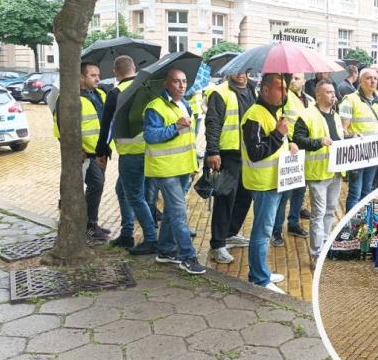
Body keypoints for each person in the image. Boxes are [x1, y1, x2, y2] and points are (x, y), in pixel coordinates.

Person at [143, 69, 204, 274]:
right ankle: (188, 256)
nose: (181, 85)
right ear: (166, 84)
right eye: (176, 81)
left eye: (184, 81)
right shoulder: (155, 107)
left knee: (171, 211)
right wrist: (174, 127)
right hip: (165, 169)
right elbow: (150, 136)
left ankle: (166, 250)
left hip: (183, 167)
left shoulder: (185, 104)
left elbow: (188, 139)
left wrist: (193, 163)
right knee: (179, 212)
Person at [95, 56, 158, 254]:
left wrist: (101, 150)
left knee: (135, 197)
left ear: (115, 72)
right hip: (150, 150)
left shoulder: (116, 93)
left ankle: (150, 238)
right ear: (134, 68)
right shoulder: (146, 88)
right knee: (122, 191)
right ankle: (126, 234)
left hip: (130, 153)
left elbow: (106, 126)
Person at [241, 73, 292, 294]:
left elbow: (275, 143)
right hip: (263, 183)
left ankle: (260, 271)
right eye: (280, 88)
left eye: (285, 88)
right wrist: (279, 135)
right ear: (265, 90)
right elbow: (256, 152)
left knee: (266, 229)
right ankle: (259, 278)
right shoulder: (254, 115)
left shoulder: (273, 112)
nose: (285, 93)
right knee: (262, 231)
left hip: (275, 180)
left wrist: (289, 145)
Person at [204, 70, 257, 264]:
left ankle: (230, 233)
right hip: (228, 154)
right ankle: (217, 244)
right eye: (237, 71)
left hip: (247, 154)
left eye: (245, 71)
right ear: (229, 72)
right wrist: (213, 151)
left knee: (245, 195)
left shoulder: (253, 90)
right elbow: (213, 123)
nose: (241, 75)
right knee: (225, 198)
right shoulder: (220, 92)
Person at [53, 62, 110, 241]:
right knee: (95, 184)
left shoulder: (100, 94)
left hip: (99, 152)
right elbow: (61, 128)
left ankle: (88, 222)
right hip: (84, 154)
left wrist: (105, 150)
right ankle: (88, 225)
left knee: (95, 186)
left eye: (98, 75)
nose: (98, 78)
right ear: (81, 77)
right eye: (93, 75)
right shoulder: (69, 98)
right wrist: (78, 150)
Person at [293, 80, 343, 261]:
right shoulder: (307, 115)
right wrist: (317, 142)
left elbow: (338, 138)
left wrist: (353, 137)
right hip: (318, 173)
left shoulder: (335, 116)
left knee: (330, 210)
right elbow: (297, 139)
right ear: (319, 95)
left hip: (335, 171)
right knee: (318, 214)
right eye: (328, 92)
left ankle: (324, 244)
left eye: (333, 91)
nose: (333, 95)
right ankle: (316, 253)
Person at [272, 73, 312, 247]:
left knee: (300, 191)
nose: (295, 81)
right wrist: (288, 142)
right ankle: (276, 230)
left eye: (298, 78)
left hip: (304, 149)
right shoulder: (285, 97)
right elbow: (279, 121)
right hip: (289, 149)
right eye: (293, 78)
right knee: (285, 193)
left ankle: (293, 223)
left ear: (304, 80)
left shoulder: (308, 99)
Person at [339, 68, 378, 213]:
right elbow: (343, 129)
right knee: (355, 192)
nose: (372, 81)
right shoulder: (350, 100)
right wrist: (352, 136)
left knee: (367, 191)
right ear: (360, 80)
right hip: (357, 154)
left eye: (375, 78)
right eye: (368, 78)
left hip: (374, 153)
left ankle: (362, 224)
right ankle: (348, 225)